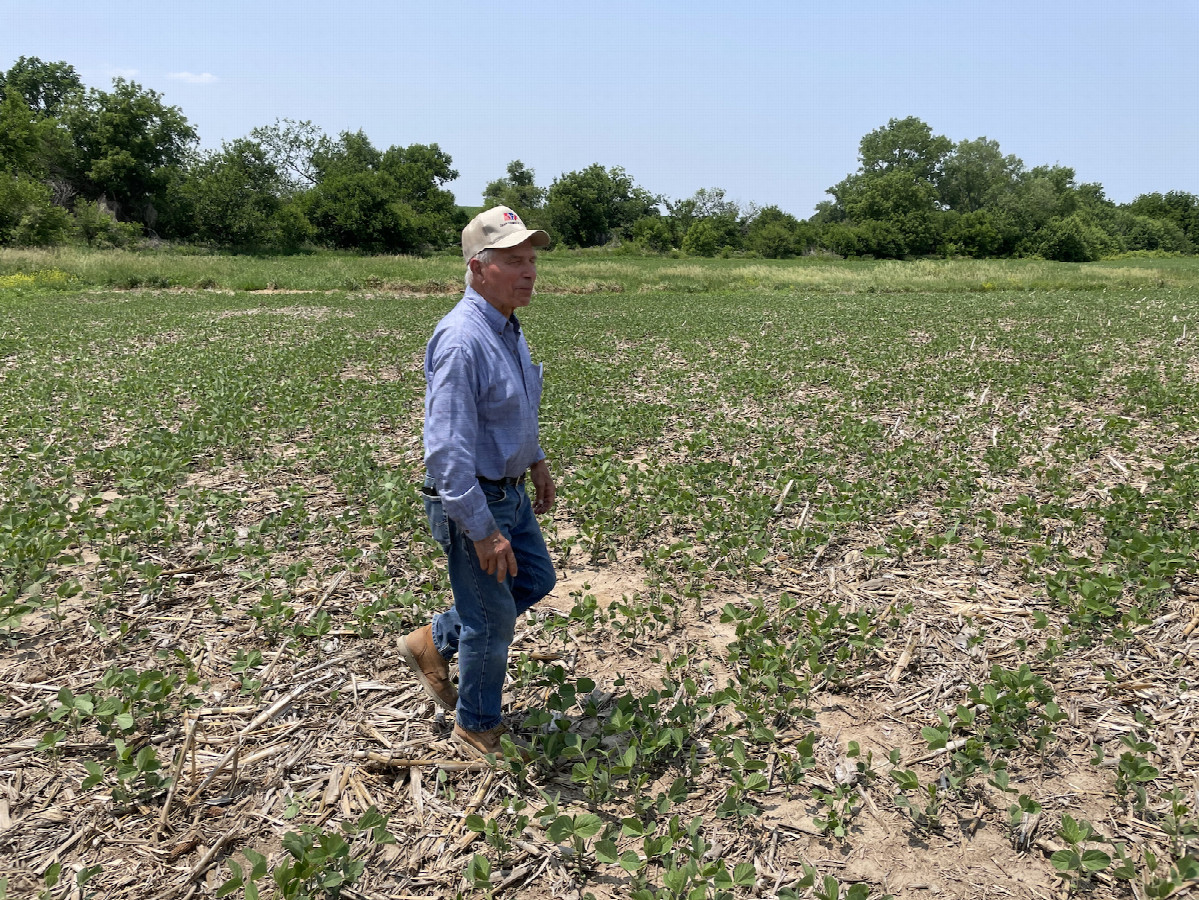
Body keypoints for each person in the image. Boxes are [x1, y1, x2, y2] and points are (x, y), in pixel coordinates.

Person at [399, 206, 557, 758]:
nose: (530, 271)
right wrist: (483, 529)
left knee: (535, 579)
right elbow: (445, 452)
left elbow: (514, 410)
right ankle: (476, 725)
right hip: (477, 498)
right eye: (515, 260)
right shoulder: (464, 339)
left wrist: (535, 460)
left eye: (532, 259)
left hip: (510, 488)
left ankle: (433, 640)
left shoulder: (508, 329)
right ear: (478, 266)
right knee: (491, 624)